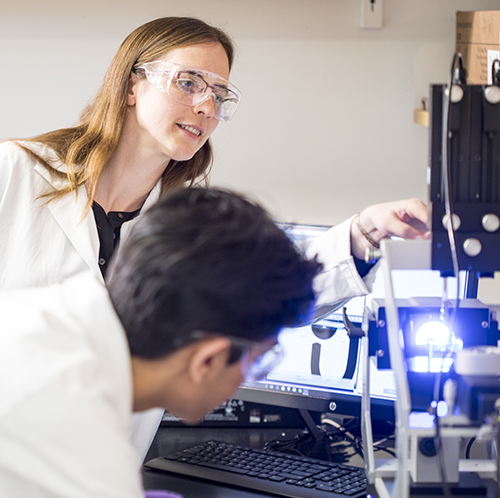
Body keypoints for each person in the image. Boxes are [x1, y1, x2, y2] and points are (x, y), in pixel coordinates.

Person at [0, 16, 429, 457]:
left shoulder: (178, 223)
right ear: (132, 86)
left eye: (219, 94)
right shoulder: (15, 172)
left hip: (103, 461)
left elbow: (261, 297)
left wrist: (364, 233)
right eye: (189, 83)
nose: (209, 106)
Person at [0, 187, 321, 498]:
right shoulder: (86, 455)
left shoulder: (42, 314)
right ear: (208, 360)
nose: (255, 376)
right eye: (260, 360)